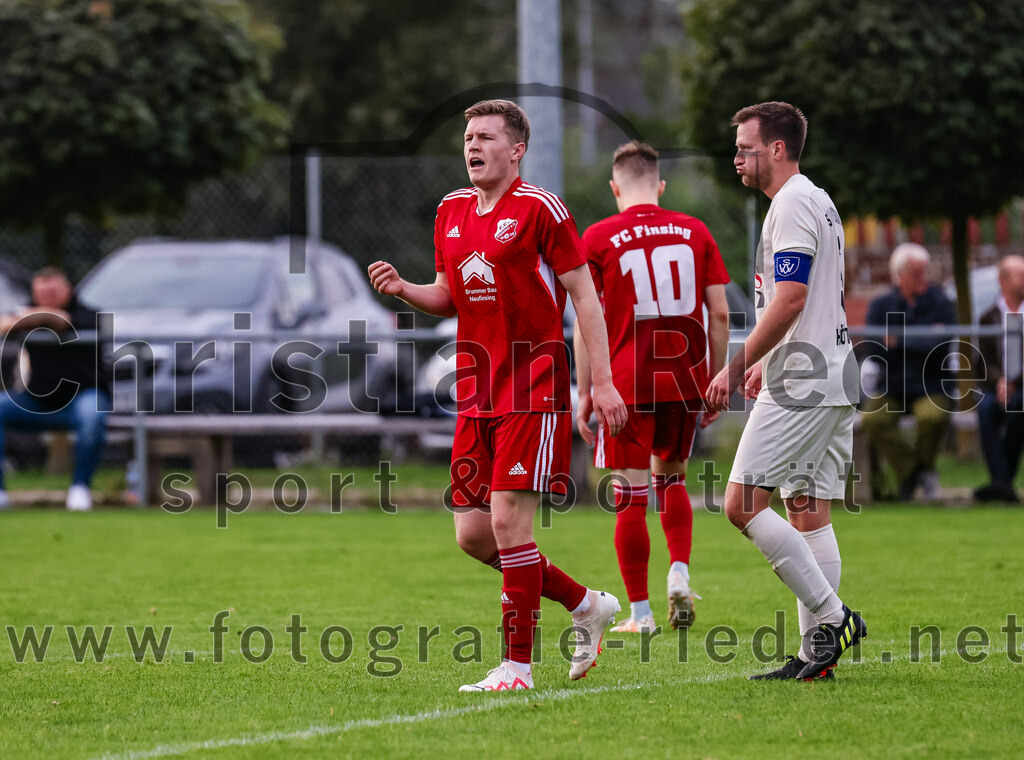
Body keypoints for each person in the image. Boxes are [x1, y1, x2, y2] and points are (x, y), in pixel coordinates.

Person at [368, 99, 628, 692]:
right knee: (473, 535)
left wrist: (602, 381)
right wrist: (405, 289)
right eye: (467, 137)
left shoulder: (542, 210)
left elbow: (586, 298)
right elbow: (446, 294)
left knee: (510, 522)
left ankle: (516, 667)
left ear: (517, 150)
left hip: (531, 388)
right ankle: (585, 604)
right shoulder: (451, 211)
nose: (472, 146)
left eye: (485, 136)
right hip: (476, 391)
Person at [706, 101, 866, 681]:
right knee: (808, 511)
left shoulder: (794, 202)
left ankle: (832, 616)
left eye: (746, 148)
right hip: (831, 370)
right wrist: (765, 358)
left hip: (806, 379)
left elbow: (792, 298)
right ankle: (815, 656)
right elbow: (803, 301)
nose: (737, 159)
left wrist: (735, 363)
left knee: (741, 503)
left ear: (777, 148)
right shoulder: (816, 199)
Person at [574, 141, 730, 633]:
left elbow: (584, 318)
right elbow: (720, 313)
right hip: (684, 380)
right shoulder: (695, 231)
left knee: (630, 494)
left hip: (626, 384)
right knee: (674, 480)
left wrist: (585, 389)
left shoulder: (599, 236)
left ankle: (640, 614)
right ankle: (679, 573)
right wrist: (715, 379)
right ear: (660, 186)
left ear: (615, 187)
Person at [0, 268, 112, 511]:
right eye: (41, 294)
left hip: (82, 397)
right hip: (37, 402)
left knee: (92, 416)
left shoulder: (89, 315)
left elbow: (59, 321)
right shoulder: (27, 312)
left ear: (68, 290)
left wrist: (31, 317)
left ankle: (80, 487)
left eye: (53, 293)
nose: (47, 300)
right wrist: (23, 318)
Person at [861, 243, 956, 500]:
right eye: (917, 273)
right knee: (872, 420)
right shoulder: (881, 305)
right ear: (900, 275)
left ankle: (914, 476)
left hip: (931, 385)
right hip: (892, 384)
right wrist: (921, 341)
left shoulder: (940, 302)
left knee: (933, 417)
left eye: (926, 272)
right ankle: (915, 471)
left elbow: (941, 345)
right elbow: (875, 348)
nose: (924, 278)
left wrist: (899, 342)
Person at [974, 254, 1024, 502]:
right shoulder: (988, 316)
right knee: (984, 411)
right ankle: (1002, 483)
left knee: (1019, 410)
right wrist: (1001, 382)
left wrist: (1014, 382)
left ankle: (1000, 483)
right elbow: (983, 359)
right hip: (996, 386)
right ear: (1003, 280)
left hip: (1021, 387)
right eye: (1020, 275)